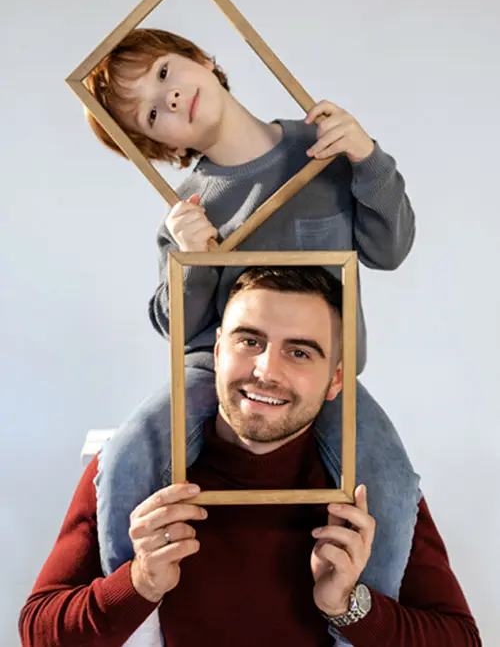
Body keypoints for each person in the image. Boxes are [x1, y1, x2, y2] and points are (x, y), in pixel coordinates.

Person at [84, 27, 421, 642]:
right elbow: (177, 330)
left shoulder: (322, 145)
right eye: (151, 116)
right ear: (157, 146)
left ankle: (358, 622)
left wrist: (368, 159)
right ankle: (134, 601)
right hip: (220, 374)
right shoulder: (186, 206)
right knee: (127, 448)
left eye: (164, 75)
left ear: (201, 59)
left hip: (326, 376)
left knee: (393, 481)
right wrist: (191, 259)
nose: (170, 100)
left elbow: (391, 247)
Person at [19, 267, 481, 647]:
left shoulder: (368, 492)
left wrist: (348, 606)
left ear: (335, 380)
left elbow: (462, 638)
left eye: (299, 352)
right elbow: (38, 631)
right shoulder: (132, 473)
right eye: (249, 341)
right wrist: (138, 583)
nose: (266, 371)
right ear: (217, 351)